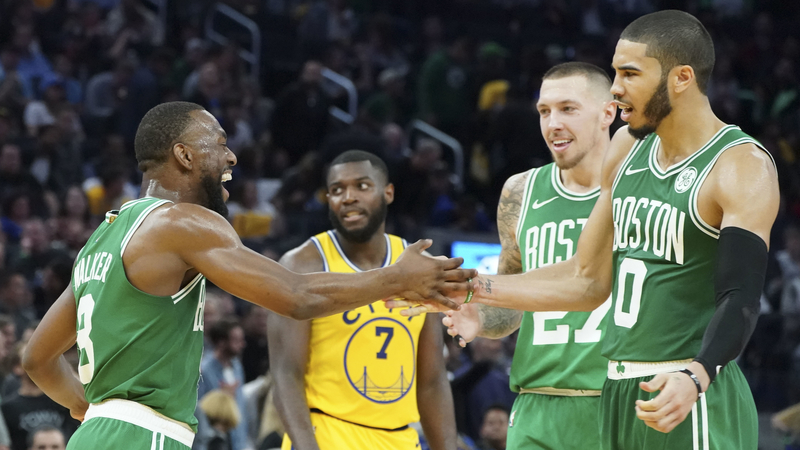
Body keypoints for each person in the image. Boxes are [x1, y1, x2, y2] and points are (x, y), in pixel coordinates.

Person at [403, 10, 779, 449]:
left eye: (629, 74)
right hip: (618, 391)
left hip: (685, 387)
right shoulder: (626, 148)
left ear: (681, 78)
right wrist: (465, 286)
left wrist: (697, 374)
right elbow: (586, 278)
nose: (616, 87)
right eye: (615, 72)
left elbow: (741, 297)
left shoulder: (740, 164)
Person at [21, 101, 475, 450]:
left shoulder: (102, 237)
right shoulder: (183, 222)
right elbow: (294, 295)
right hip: (146, 436)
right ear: (183, 155)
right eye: (219, 143)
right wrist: (396, 278)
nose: (232, 155)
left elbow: (38, 359)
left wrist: (92, 409)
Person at [439, 62, 616, 449]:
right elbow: (512, 307)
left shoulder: (640, 190)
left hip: (618, 404)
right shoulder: (520, 192)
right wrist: (479, 315)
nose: (553, 123)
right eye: (544, 111)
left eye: (568, 109)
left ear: (608, 112)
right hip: (536, 405)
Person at [268, 150, 458, 450]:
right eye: (336, 190)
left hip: (400, 439)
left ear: (389, 192)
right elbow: (285, 375)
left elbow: (432, 382)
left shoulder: (418, 267)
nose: (348, 197)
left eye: (362, 186)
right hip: (326, 432)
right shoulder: (302, 265)